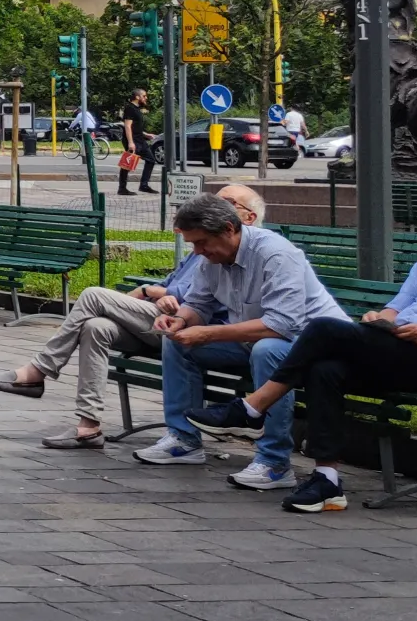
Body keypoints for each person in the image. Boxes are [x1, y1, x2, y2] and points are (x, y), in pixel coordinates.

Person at [200, 170, 417, 513]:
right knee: (325, 369)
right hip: (404, 349)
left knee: (323, 328)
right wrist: (379, 319)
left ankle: (253, 408)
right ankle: (327, 479)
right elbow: (394, 309)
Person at [0, 183, 267, 448]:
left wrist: (152, 291)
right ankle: (88, 426)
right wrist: (156, 292)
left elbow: (194, 296)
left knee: (93, 295)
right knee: (95, 327)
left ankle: (38, 371)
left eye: (228, 202)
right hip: (163, 319)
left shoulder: (231, 249)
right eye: (217, 199)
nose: (217, 205)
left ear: (248, 217)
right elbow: (172, 283)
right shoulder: (202, 247)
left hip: (193, 329)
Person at [133, 192, 338, 488]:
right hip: (253, 342)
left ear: (229, 229)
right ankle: (183, 439)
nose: (198, 251)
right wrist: (180, 321)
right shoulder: (210, 258)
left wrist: (208, 333)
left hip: (309, 347)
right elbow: (199, 303)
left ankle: (275, 463)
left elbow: (282, 325)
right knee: (176, 341)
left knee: (268, 350)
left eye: (202, 242)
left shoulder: (275, 254)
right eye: (192, 244)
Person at [117, 87, 153, 196]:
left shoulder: (137, 109)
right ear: (137, 97)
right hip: (133, 141)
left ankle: (144, 185)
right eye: (144, 96)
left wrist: (145, 134)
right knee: (127, 164)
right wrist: (130, 142)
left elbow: (135, 126)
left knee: (151, 160)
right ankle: (122, 188)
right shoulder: (130, 108)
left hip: (140, 139)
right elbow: (127, 126)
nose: (146, 98)